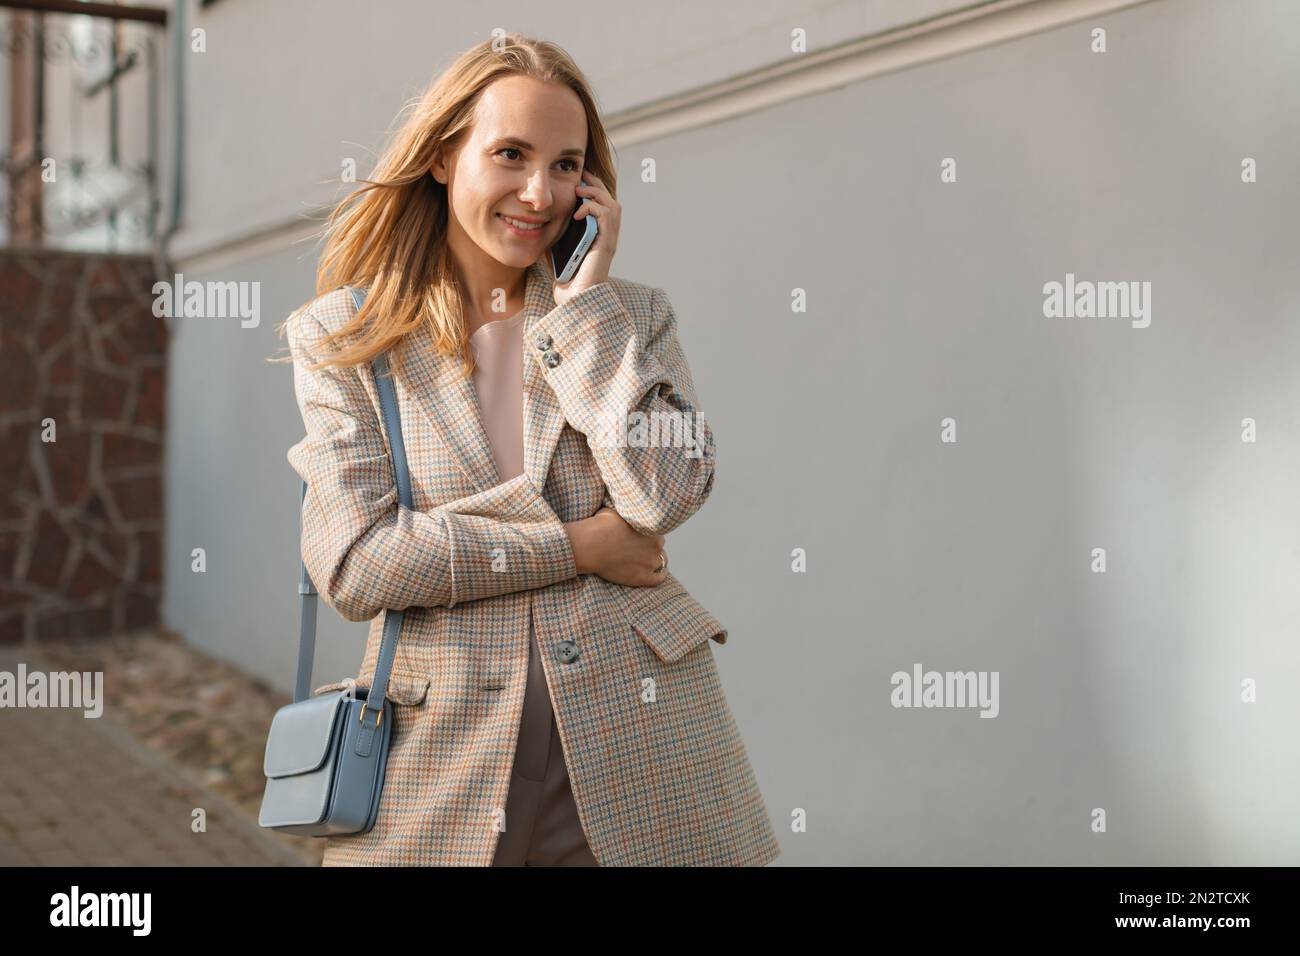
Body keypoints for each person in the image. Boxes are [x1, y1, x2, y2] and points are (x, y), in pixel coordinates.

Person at [273, 33, 780, 867]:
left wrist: (581, 315)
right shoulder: (347, 339)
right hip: (440, 774)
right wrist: (578, 545)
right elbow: (357, 565)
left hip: (640, 759)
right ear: (444, 157)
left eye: (567, 164)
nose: (539, 193)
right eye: (510, 154)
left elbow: (664, 495)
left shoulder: (629, 318)